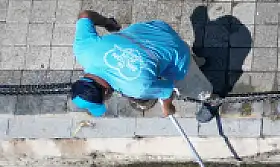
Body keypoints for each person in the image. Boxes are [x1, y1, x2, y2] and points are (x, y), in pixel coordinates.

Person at [69, 11, 214, 120]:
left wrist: (168, 108)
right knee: (169, 55)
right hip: (156, 29)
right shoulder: (83, 50)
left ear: (106, 93)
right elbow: (85, 15)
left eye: (104, 99)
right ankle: (194, 60)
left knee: (199, 89)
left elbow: (168, 90)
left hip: (176, 55)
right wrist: (107, 22)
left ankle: (212, 100)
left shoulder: (137, 88)